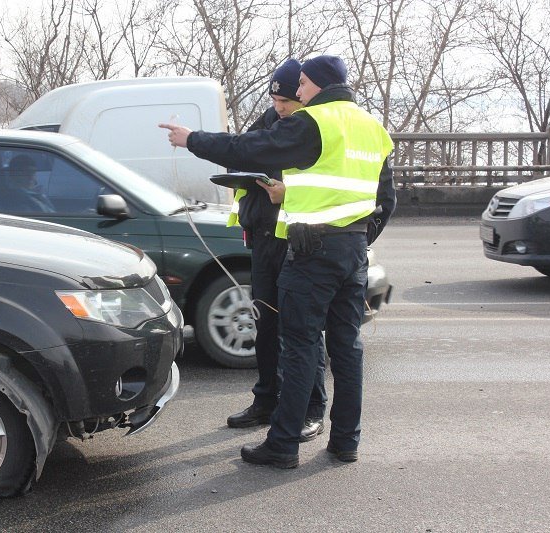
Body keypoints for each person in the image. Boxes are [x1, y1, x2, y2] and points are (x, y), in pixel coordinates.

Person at [160, 54, 395, 467]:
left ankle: (283, 443)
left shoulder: (314, 122)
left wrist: (192, 139)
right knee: (346, 348)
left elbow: (250, 147)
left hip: (311, 251)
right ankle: (346, 441)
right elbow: (383, 199)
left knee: (299, 346)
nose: (297, 92)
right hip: (352, 250)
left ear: (319, 85)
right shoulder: (373, 128)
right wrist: (356, 237)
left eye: (302, 84)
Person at [224, 59, 327, 445]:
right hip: (263, 236)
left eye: (286, 100)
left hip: (297, 240)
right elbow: (240, 154)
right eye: (275, 99)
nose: (280, 106)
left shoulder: (313, 127)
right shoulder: (268, 120)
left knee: (302, 329)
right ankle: (266, 399)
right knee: (265, 324)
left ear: (302, 95)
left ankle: (312, 410)